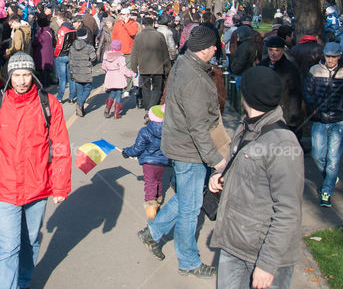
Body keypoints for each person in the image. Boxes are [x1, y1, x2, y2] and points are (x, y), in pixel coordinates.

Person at [0, 52, 71, 289]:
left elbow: (61, 147)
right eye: (16, 75)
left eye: (26, 74)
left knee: (30, 241)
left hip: (38, 187)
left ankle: (24, 281)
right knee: (8, 247)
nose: (22, 80)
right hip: (5, 189)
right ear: (9, 76)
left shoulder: (49, 104)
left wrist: (60, 186)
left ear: (33, 75)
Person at [138, 25, 228, 278]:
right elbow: (199, 127)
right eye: (213, 47)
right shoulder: (196, 79)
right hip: (190, 150)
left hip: (180, 144)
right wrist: (217, 161)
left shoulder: (185, 64)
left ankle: (152, 233)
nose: (215, 50)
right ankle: (188, 261)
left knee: (186, 198)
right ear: (204, 49)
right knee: (191, 208)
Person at [210, 66, 303, 289]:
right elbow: (247, 166)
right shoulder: (247, 127)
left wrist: (268, 264)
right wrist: (223, 174)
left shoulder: (282, 142)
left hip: (261, 253)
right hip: (234, 243)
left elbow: (288, 210)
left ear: (246, 95)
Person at [302, 42, 343, 207]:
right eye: (328, 56)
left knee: (333, 158)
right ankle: (331, 176)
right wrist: (314, 105)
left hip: (339, 120)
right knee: (317, 155)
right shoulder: (314, 71)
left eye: (333, 57)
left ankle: (326, 191)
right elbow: (306, 92)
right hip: (320, 119)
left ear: (339, 57)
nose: (330, 60)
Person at [121, 104, 169, 221]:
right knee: (158, 180)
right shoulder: (168, 131)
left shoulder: (145, 131)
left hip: (148, 162)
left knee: (149, 183)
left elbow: (138, 148)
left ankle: (151, 209)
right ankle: (158, 199)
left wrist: (127, 152)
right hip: (162, 161)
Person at [260, 36, 303, 134]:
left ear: (283, 51)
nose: (273, 53)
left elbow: (295, 95)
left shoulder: (290, 69)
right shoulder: (262, 66)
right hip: (264, 112)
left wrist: (293, 120)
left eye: (277, 50)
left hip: (283, 113)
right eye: (270, 50)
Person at [128, 16, 171, 110]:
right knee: (157, 88)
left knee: (145, 88)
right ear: (153, 24)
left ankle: (148, 107)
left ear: (143, 25)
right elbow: (165, 52)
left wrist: (134, 67)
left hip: (144, 66)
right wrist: (167, 67)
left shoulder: (139, 36)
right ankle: (153, 106)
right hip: (158, 66)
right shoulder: (159, 35)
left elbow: (134, 53)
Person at [101, 39, 135, 119]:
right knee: (119, 93)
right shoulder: (120, 57)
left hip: (110, 76)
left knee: (112, 92)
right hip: (118, 77)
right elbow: (124, 69)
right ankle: (116, 113)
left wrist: (109, 70)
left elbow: (103, 66)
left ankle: (108, 108)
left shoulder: (106, 56)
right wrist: (132, 74)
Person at [68, 27, 97, 117]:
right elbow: (93, 57)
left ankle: (80, 109)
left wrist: (72, 70)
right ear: (86, 36)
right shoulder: (89, 47)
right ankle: (80, 104)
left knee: (80, 91)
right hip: (86, 71)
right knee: (88, 89)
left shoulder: (72, 47)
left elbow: (70, 60)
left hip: (76, 71)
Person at [53, 18, 76, 104]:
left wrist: (56, 54)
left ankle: (60, 97)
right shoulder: (73, 29)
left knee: (62, 78)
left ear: (61, 19)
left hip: (62, 55)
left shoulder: (62, 30)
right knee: (71, 77)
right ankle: (71, 97)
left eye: (58, 20)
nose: (57, 22)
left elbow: (60, 44)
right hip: (70, 54)